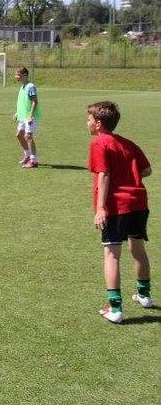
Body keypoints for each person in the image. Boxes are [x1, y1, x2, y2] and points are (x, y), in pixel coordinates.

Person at [86, 101, 153, 323]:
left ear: (98, 124)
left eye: (88, 119)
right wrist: (128, 179)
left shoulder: (99, 143)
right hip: (138, 203)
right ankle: (144, 296)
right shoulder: (127, 143)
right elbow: (147, 170)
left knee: (112, 255)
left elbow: (103, 174)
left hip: (116, 207)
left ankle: (115, 309)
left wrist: (100, 208)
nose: (87, 123)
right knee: (138, 249)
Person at [13, 67, 41, 168]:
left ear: (25, 75)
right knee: (19, 135)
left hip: (30, 116)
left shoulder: (31, 86)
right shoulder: (22, 87)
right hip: (23, 116)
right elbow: (23, 102)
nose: (16, 76)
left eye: (18, 74)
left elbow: (35, 101)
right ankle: (27, 155)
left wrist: (30, 115)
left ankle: (33, 160)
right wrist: (17, 112)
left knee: (28, 136)